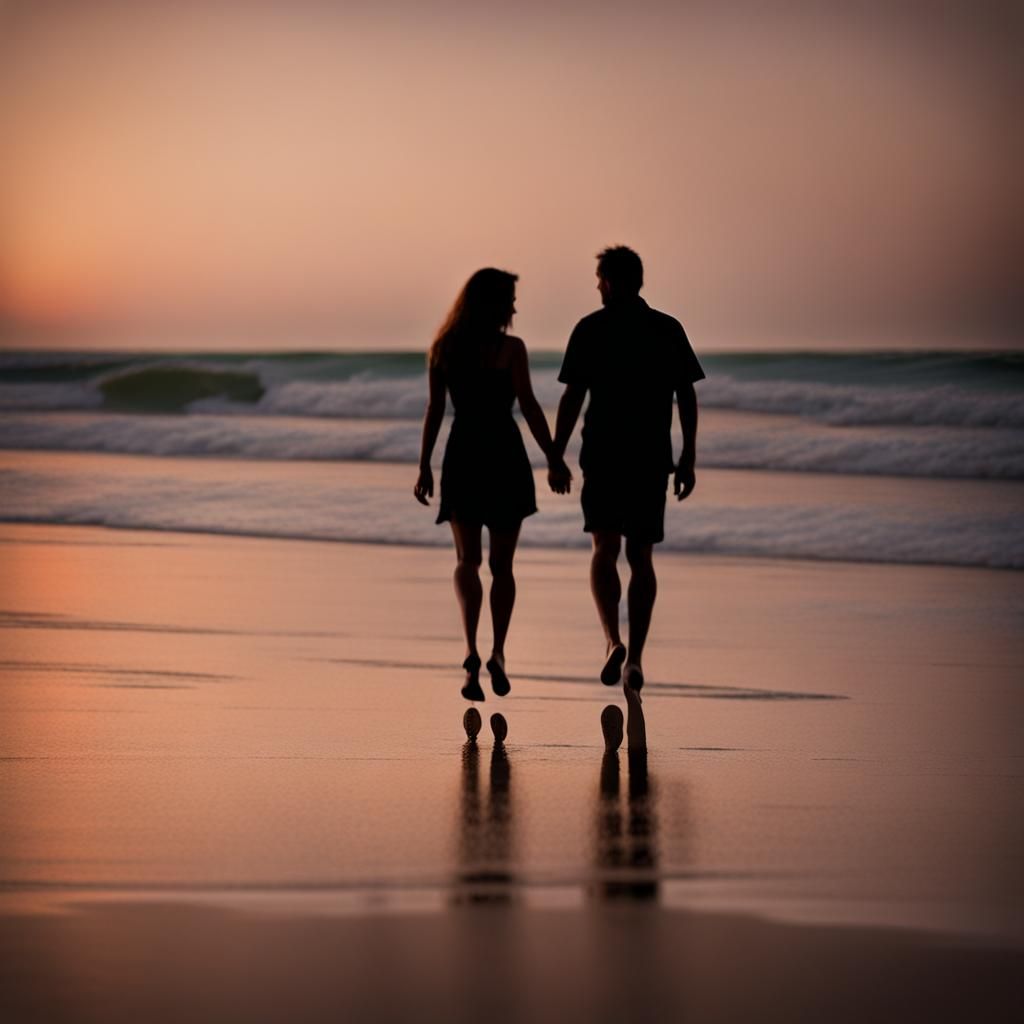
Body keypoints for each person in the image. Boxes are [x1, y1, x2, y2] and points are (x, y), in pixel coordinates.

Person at [548, 246, 704, 693]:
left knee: (603, 548)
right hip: (651, 456)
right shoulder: (666, 329)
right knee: (641, 555)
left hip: (603, 454)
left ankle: (611, 640)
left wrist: (556, 454)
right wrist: (688, 454)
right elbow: (686, 397)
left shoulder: (591, 329)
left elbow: (572, 398)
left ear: (612, 282)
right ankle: (635, 659)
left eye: (599, 279)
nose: (597, 287)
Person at [415, 268, 558, 702]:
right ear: (494, 303)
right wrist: (553, 458)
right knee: (502, 567)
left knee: (466, 561)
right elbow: (529, 406)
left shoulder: (443, 348)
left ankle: (471, 650)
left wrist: (424, 466)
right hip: (504, 456)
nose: (514, 308)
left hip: (462, 456)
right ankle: (498, 651)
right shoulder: (511, 349)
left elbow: (435, 411)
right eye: (510, 299)